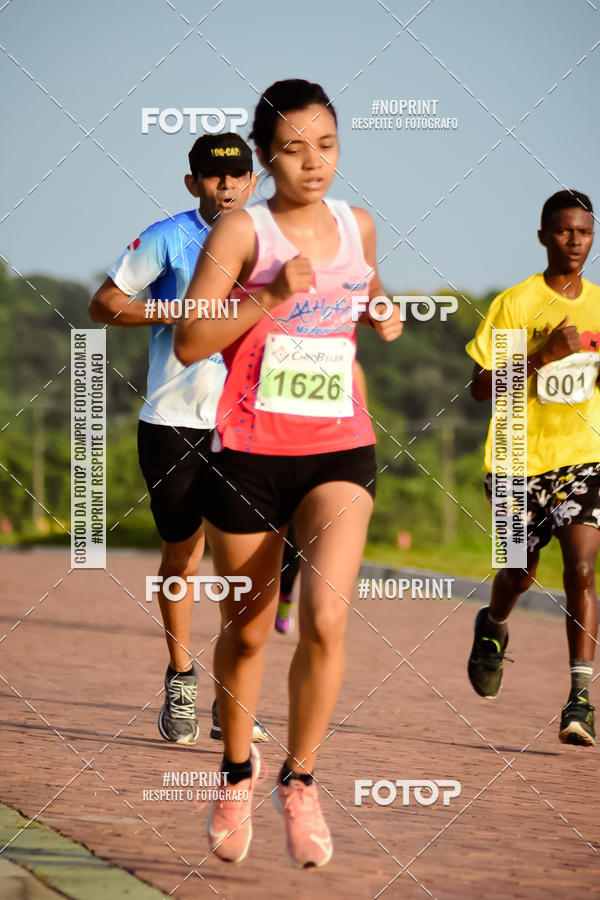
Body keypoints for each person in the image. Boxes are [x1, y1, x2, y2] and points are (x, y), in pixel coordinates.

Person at [175, 78, 402, 867]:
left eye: (328, 145)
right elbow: (191, 342)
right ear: (268, 154)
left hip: (340, 447)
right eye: (296, 148)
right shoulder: (243, 232)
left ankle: (299, 781)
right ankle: (237, 772)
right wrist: (268, 296)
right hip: (248, 454)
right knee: (243, 633)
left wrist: (382, 309)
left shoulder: (357, 224)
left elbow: (363, 285)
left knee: (327, 621)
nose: (314, 163)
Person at [89, 133, 272, 745]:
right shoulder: (168, 236)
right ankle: (180, 676)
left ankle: (233, 697)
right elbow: (105, 303)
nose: (227, 186)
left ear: (253, 182)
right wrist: (174, 312)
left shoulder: (272, 241)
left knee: (243, 566)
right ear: (193, 183)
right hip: (172, 422)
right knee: (183, 558)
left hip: (248, 424)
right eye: (214, 176)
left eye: (238, 176)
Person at [466, 189, 599, 746]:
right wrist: (540, 356)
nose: (576, 242)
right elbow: (477, 389)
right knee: (520, 572)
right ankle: (493, 625)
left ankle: (580, 699)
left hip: (582, 455)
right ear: (544, 236)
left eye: (585, 232)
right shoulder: (515, 306)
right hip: (516, 456)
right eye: (565, 232)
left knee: (583, 569)